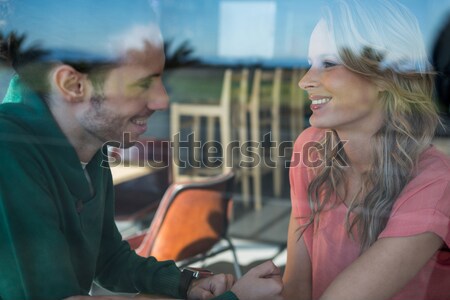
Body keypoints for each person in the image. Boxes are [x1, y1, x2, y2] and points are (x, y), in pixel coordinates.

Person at [0, 1, 283, 300]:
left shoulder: (88, 144)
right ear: (72, 85)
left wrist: (184, 283)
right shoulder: (9, 153)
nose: (162, 100)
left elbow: (108, 258)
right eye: (142, 83)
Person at [283, 0, 450, 299]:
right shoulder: (310, 148)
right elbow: (296, 287)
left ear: (385, 75)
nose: (304, 81)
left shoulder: (436, 184)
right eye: (310, 63)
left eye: (329, 63)